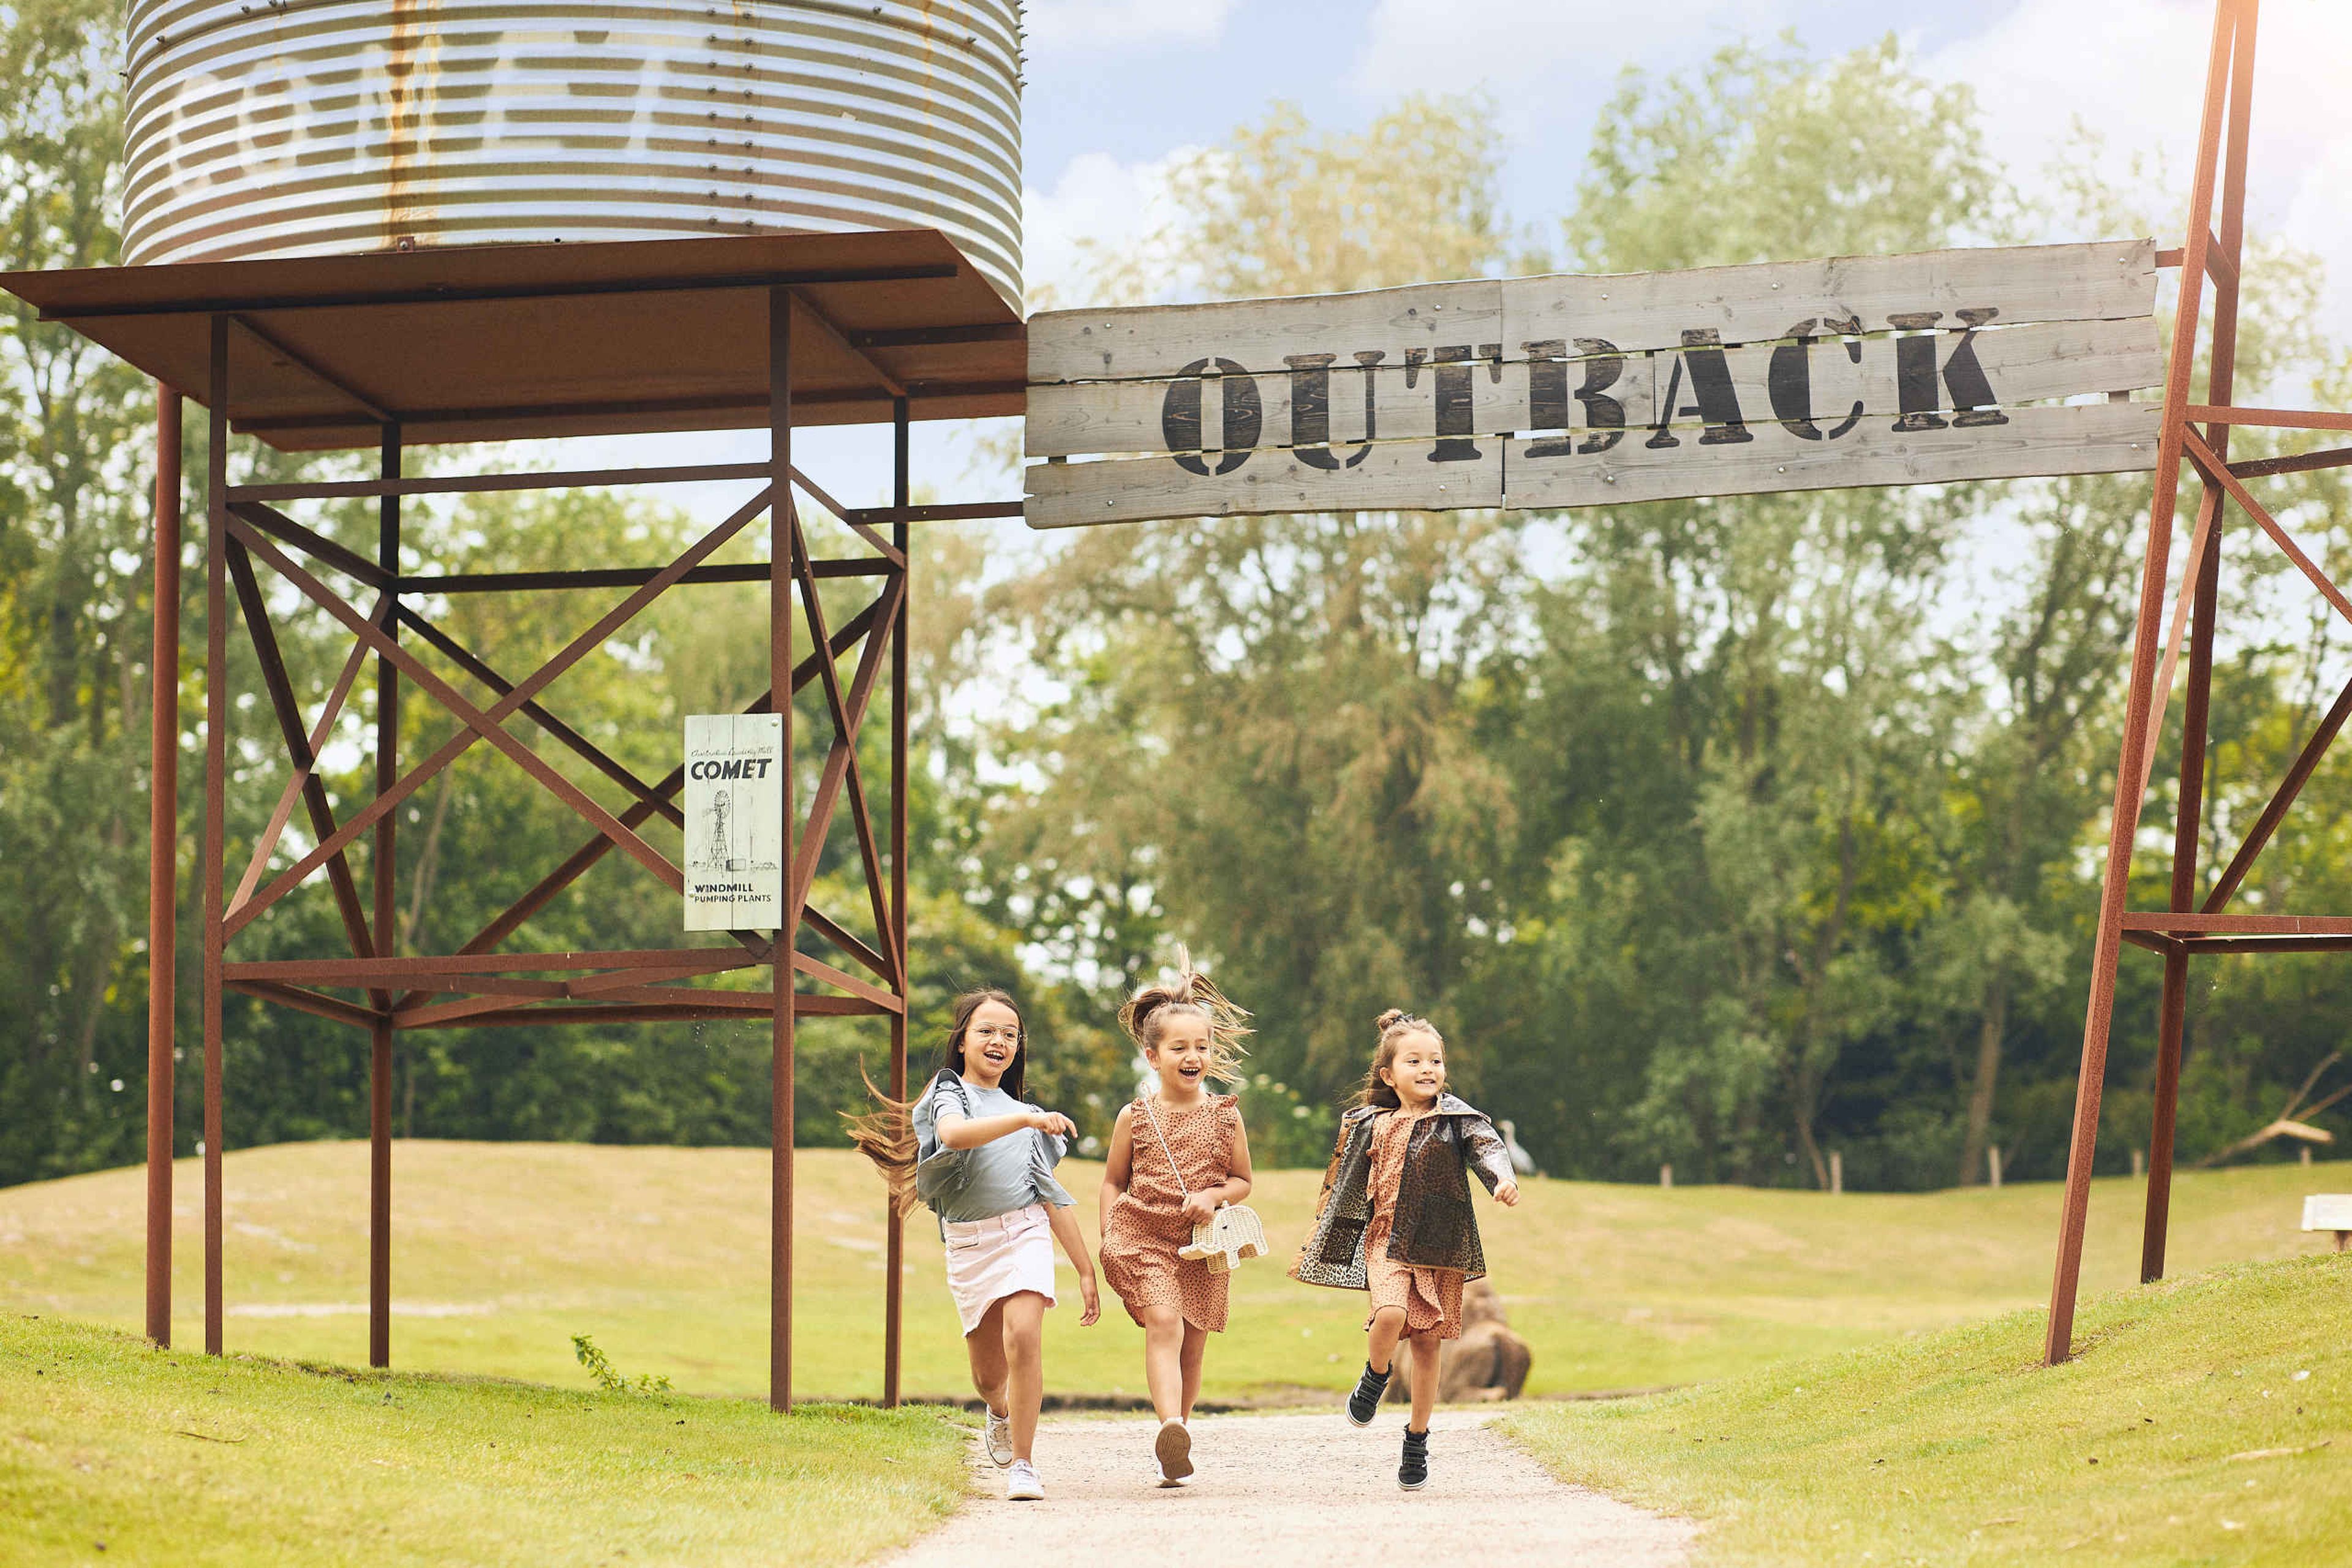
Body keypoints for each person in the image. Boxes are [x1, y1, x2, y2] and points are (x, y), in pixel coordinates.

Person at [846, 989, 1101, 1501]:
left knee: (1024, 1335)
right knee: (988, 1377)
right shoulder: (950, 1093)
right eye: (986, 1030)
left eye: (1010, 1034)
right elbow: (954, 1135)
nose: (998, 1041)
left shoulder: (1026, 1116)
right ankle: (999, 1411)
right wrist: (1027, 1119)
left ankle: (1024, 1465)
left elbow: (1050, 1197)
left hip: (1023, 1233)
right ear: (962, 1041)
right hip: (970, 1246)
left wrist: (1085, 1269)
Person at [1292, 1009, 1519, 1491]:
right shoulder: (1371, 1124)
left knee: (1427, 1344)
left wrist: (1503, 1179)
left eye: (1435, 1060)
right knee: (1391, 1314)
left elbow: (1488, 1146)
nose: (1427, 1069)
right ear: (1388, 1075)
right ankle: (1376, 1375)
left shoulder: (1456, 1120)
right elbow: (1344, 1184)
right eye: (1414, 1061)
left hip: (1438, 1248)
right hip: (1387, 1243)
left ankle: (1417, 1439)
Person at [1097, 959, 1256, 1487]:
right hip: (1144, 1238)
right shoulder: (1134, 1117)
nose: (1193, 1057)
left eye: (1202, 1047)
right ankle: (1170, 1422)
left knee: (1193, 1346)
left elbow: (1242, 1181)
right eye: (1179, 1048)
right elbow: (1112, 1182)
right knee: (1165, 1323)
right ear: (1153, 1056)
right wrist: (1109, 1233)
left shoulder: (1227, 1115)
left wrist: (1213, 1196)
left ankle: (1177, 1441)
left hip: (1203, 1247)